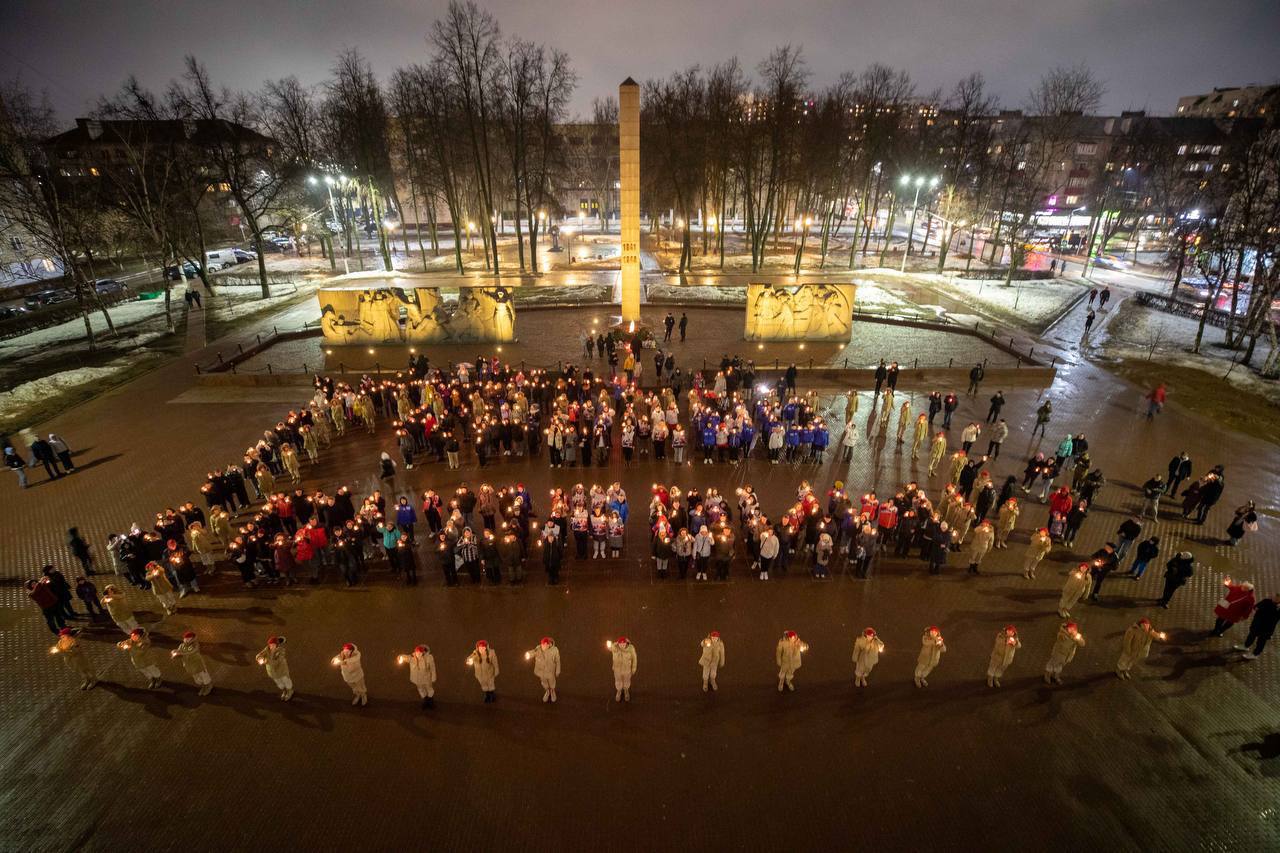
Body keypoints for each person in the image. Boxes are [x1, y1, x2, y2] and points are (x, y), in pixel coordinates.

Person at [1236, 594, 1280, 660]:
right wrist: (1256, 607)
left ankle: (1255, 654)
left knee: (1261, 641)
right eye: (1275, 597)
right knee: (1251, 635)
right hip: (1257, 623)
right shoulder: (1266, 601)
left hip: (1266, 628)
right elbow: (1256, 606)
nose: (1275, 599)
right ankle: (1246, 646)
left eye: (1277, 599)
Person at [172, 630, 213, 696]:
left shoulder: (195, 645)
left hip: (198, 664)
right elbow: (178, 650)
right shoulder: (182, 645)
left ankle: (208, 686)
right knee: (197, 679)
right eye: (185, 638)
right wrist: (174, 652)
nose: (186, 640)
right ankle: (204, 686)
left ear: (192, 639)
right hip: (189, 666)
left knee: (204, 676)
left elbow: (192, 652)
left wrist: (181, 653)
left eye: (188, 639)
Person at [255, 635, 293, 701]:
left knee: (286, 682)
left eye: (273, 645)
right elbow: (259, 655)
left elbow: (277, 661)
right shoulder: (267, 649)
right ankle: (284, 691)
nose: (271, 646)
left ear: (277, 645)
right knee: (280, 684)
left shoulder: (281, 651)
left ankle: (289, 691)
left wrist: (265, 661)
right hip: (272, 673)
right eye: (270, 645)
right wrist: (259, 658)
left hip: (282, 671)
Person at [526, 637, 561, 703]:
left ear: (548, 645)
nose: (543, 647)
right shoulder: (538, 649)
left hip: (550, 671)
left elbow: (558, 661)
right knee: (544, 682)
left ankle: (552, 691)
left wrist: (557, 670)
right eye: (542, 645)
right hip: (541, 671)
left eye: (545, 645)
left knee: (552, 682)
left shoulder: (554, 650)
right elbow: (533, 652)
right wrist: (529, 654)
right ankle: (547, 691)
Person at [609, 637, 637, 702]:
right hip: (617, 670)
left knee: (627, 680)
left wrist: (633, 667)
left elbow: (634, 658)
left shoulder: (631, 649)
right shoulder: (615, 649)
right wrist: (613, 644)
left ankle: (626, 690)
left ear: (626, 643)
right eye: (620, 644)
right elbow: (610, 647)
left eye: (624, 644)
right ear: (618, 644)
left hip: (627, 670)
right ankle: (619, 691)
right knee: (618, 680)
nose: (622, 646)